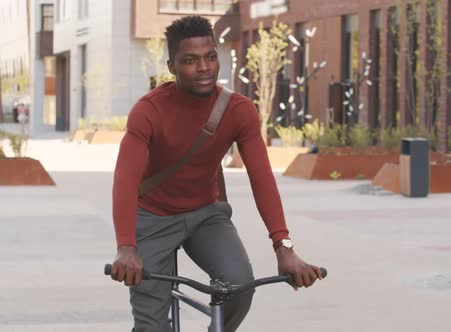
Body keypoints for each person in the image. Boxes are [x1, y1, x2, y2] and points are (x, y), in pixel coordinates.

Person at [109, 16, 323, 332]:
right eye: (190, 60)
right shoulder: (149, 111)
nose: (204, 67)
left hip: (206, 215)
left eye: (210, 57)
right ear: (172, 65)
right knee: (150, 325)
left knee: (238, 285)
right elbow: (125, 181)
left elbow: (262, 179)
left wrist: (284, 247)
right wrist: (126, 247)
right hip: (152, 217)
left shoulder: (238, 110)